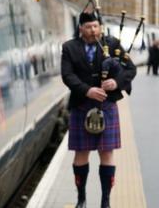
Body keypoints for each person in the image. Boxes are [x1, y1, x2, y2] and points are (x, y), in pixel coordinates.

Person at [61, 12, 136, 208]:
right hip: (81, 104)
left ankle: (105, 202)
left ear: (100, 27)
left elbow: (131, 69)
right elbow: (67, 75)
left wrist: (116, 82)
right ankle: (81, 199)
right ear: (81, 29)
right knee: (81, 153)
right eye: (88, 27)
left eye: (96, 26)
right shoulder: (69, 47)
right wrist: (87, 91)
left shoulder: (112, 44)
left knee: (107, 153)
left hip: (107, 105)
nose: (93, 30)